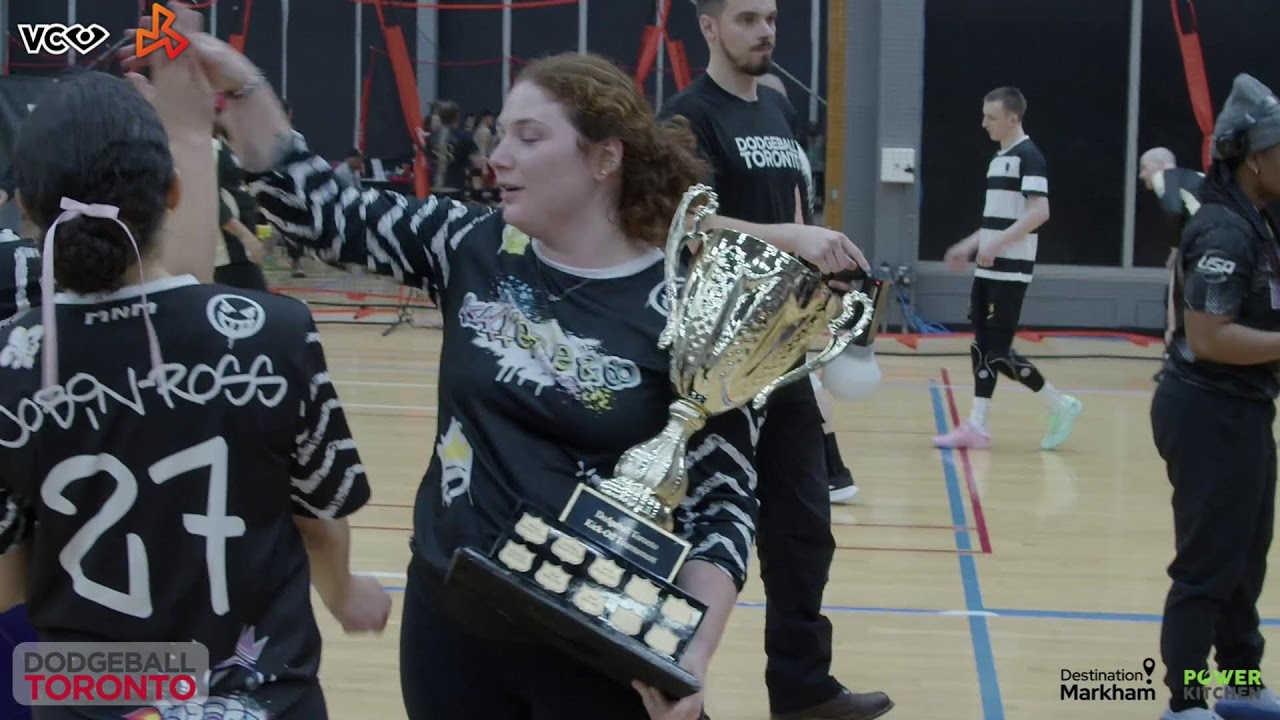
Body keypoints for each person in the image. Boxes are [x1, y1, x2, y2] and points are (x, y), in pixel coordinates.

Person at [155, 12, 765, 719]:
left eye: (529, 138)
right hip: (452, 621)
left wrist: (689, 648)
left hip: (604, 643)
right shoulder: (469, 243)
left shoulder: (692, 304)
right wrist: (239, 85)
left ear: (606, 158)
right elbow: (321, 211)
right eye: (501, 133)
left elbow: (723, 501)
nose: (497, 156)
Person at [0, 36, 390, 720]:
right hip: (252, 688)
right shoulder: (276, 332)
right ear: (173, 193)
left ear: (26, 210)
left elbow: (8, 585)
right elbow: (320, 516)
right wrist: (342, 590)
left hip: (88, 691)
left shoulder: (11, 359)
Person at [659, 2, 891, 719]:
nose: (765, 30)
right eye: (747, 17)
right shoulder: (686, 117)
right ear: (708, 26)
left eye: (771, 18)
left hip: (781, 359)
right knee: (707, 535)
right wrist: (794, 236)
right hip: (714, 369)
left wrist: (825, 271)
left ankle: (802, 690)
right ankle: (675, 693)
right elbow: (681, 224)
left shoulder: (781, 113)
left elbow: (792, 216)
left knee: (803, 530)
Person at [1151, 73, 1280, 720]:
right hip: (1207, 411)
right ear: (1254, 156)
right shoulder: (1226, 232)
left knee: (1244, 558)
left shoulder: (1257, 221)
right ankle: (1187, 700)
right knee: (1207, 566)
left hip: (1246, 410)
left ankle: (1238, 681)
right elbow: (1209, 337)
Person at [933, 86, 1082, 452]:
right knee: (981, 348)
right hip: (988, 268)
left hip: (1010, 270)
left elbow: (1039, 212)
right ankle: (977, 426)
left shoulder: (1030, 157)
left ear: (1013, 118)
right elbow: (996, 221)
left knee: (996, 350)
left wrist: (997, 245)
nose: (984, 124)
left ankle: (1058, 403)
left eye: (991, 117)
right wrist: (968, 246)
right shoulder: (998, 160)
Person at [1139, 147, 1205, 347]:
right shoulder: (1199, 176)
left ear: (1155, 165)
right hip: (1229, 238)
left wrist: (1175, 250)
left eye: (1143, 168)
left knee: (1176, 293)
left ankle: (1174, 346)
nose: (1141, 175)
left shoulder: (1164, 176)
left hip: (1204, 239)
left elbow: (1173, 209)